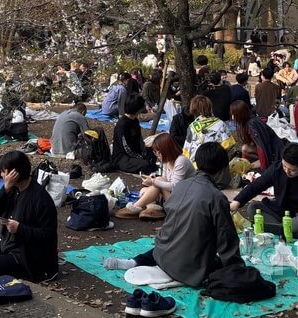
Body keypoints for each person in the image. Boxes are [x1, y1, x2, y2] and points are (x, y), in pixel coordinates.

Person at [104, 143, 243, 289]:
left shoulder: (182, 186)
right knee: (216, 262)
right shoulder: (216, 197)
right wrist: (237, 270)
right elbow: (227, 240)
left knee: (174, 243)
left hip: (162, 253)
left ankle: (135, 262)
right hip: (188, 267)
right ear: (222, 168)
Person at [0, 150, 58, 281]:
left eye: (3, 172)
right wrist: (5, 189)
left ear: (14, 173)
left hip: (29, 254)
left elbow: (48, 235)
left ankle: (22, 271)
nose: (1, 175)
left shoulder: (40, 199)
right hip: (10, 243)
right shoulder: (13, 190)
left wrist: (20, 229)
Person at [115, 133, 194, 220]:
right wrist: (153, 179)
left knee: (155, 185)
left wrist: (153, 182)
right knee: (145, 189)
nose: (157, 155)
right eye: (155, 152)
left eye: (158, 152)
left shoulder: (181, 161)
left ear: (166, 150)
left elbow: (174, 186)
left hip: (183, 201)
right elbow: (165, 179)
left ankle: (134, 208)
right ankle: (152, 209)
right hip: (172, 196)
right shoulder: (167, 161)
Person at [111, 95, 157, 174]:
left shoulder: (135, 120)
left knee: (154, 152)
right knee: (146, 164)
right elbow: (126, 148)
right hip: (123, 157)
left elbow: (139, 140)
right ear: (137, 108)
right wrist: (141, 157)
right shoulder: (122, 125)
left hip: (136, 153)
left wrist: (144, 152)